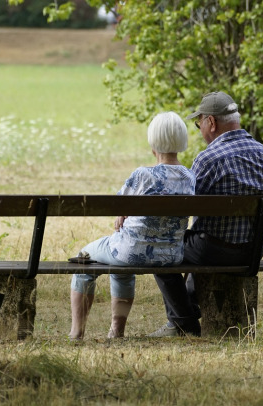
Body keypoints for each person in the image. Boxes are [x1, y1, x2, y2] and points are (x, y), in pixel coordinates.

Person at [149, 91, 263, 337]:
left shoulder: (208, 159)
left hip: (214, 250)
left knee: (160, 248)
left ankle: (183, 323)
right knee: (200, 239)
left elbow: (186, 208)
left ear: (211, 122)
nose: (200, 130)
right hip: (252, 250)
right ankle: (186, 314)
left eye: (199, 124)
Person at [69, 111, 196, 340]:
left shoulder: (142, 175)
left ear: (153, 142)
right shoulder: (190, 177)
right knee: (120, 262)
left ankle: (76, 332)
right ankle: (116, 331)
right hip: (171, 256)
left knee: (84, 257)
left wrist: (123, 213)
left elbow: (117, 205)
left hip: (131, 252)